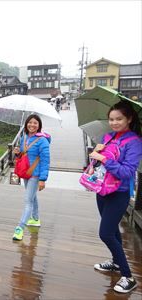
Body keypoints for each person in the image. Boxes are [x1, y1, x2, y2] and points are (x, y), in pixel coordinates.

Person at [89, 101, 142, 294]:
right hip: (102, 190)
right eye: (111, 119)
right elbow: (98, 165)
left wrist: (104, 158)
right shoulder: (108, 137)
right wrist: (96, 154)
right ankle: (116, 262)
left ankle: (128, 276)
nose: (114, 123)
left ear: (129, 119)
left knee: (105, 233)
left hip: (118, 193)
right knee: (113, 231)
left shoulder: (135, 142)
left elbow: (127, 172)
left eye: (119, 119)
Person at [12, 114, 51, 241]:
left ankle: (20, 227)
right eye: (30, 122)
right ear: (26, 124)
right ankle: (35, 218)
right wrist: (18, 153)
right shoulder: (24, 137)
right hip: (25, 172)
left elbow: (46, 161)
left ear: (39, 125)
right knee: (32, 197)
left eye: (35, 123)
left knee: (28, 200)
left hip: (35, 174)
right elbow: (23, 156)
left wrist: (43, 179)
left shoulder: (42, 140)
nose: (32, 125)